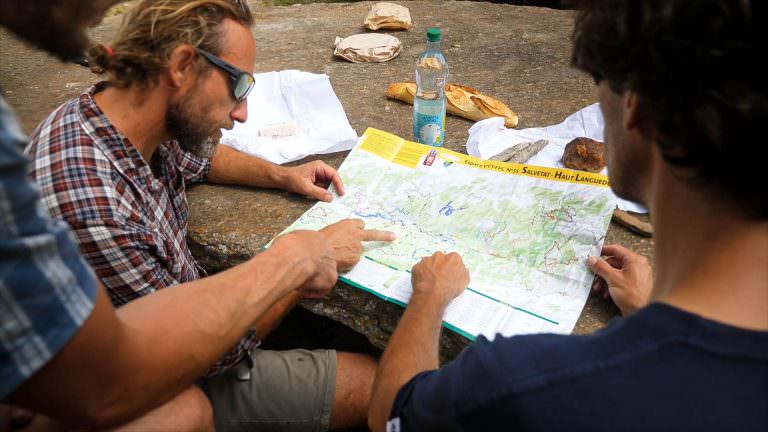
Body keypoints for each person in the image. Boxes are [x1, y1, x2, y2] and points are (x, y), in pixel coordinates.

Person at [368, 0, 768, 430]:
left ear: (636, 108)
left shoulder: (524, 384)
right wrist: (648, 307)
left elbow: (391, 415)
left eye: (601, 87)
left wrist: (429, 297)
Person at [1, 1, 384, 431]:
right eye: (238, 86)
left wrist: (283, 175)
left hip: (183, 329)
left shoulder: (120, 117)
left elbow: (197, 159)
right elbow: (219, 349)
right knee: (381, 385)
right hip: (177, 375)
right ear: (182, 65)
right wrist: (305, 260)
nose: (242, 114)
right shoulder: (96, 207)